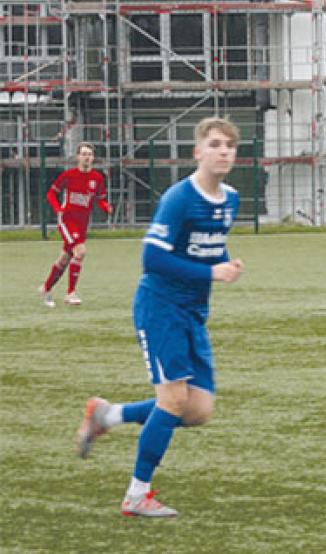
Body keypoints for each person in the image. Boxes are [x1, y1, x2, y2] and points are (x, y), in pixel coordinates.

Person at [74, 117, 244, 517]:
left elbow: (207, 249)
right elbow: (151, 259)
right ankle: (136, 495)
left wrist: (223, 264)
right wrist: (210, 272)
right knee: (172, 400)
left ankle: (107, 414)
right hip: (160, 308)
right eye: (215, 144)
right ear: (197, 152)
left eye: (230, 145)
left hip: (193, 314)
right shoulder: (179, 198)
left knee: (198, 410)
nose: (224, 151)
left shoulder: (231, 200)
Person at [38, 142, 112, 307]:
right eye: (84, 154)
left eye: (89, 154)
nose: (87, 157)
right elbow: (51, 193)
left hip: (82, 223)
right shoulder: (69, 175)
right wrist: (58, 209)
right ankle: (70, 293)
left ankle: (46, 288)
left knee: (65, 258)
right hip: (67, 220)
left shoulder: (97, 178)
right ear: (78, 157)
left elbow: (100, 200)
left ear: (93, 158)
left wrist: (106, 207)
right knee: (80, 251)